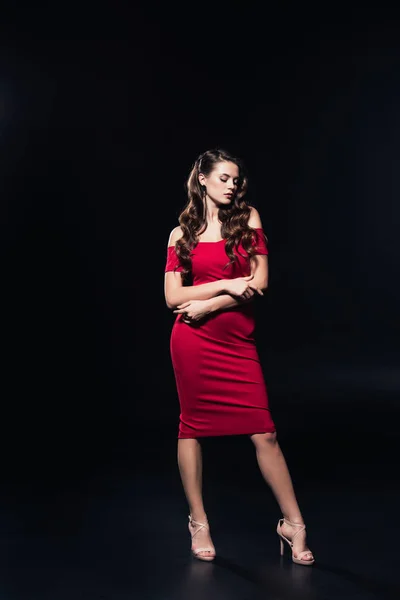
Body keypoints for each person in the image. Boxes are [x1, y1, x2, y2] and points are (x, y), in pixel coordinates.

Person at [164, 148, 314, 566]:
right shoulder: (182, 233)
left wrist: (213, 301)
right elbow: (173, 297)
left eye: (235, 180)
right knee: (191, 427)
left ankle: (293, 524)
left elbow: (260, 281)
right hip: (191, 341)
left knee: (264, 433)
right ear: (203, 179)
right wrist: (230, 285)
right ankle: (198, 521)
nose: (232, 186)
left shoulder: (248, 219)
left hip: (236, 341)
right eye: (224, 178)